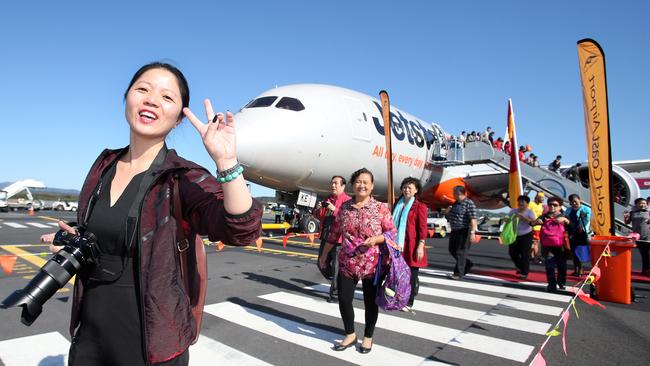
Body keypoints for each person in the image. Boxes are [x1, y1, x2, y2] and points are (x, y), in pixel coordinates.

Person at [40, 62, 262, 366]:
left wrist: (227, 162)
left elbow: (240, 230)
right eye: (142, 89)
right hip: (90, 335)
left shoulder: (181, 177)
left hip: (154, 344)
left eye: (167, 97)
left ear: (178, 119)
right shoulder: (103, 167)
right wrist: (75, 241)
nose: (152, 99)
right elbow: (106, 236)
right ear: (127, 98)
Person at [318, 168, 396, 354]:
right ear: (353, 185)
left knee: (370, 302)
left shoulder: (380, 208)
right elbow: (335, 233)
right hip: (348, 262)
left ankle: (368, 337)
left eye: (365, 182)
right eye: (358, 182)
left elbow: (392, 233)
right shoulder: (345, 208)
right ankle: (350, 333)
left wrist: (377, 239)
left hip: (373, 264)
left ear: (371, 186)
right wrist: (323, 256)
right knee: (344, 299)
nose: (361, 185)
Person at [313, 176, 352, 302]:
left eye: (336, 183)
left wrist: (334, 209)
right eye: (332, 183)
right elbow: (320, 217)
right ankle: (337, 281)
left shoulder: (348, 201)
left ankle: (334, 294)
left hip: (339, 240)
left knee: (336, 267)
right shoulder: (328, 199)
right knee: (321, 263)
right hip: (326, 236)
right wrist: (318, 209)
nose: (333, 186)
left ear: (343, 186)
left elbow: (348, 218)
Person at [392, 177, 428, 310]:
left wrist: (421, 245)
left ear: (416, 190)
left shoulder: (420, 206)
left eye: (410, 188)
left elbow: (423, 229)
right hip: (397, 244)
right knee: (398, 273)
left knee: (411, 275)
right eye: (405, 187)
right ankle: (398, 296)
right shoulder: (398, 204)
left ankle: (408, 301)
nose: (406, 190)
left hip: (412, 245)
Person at [533, 197, 570, 292]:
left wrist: (566, 221)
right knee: (549, 266)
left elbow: (572, 226)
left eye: (555, 205)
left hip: (561, 246)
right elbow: (531, 223)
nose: (552, 207)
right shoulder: (544, 216)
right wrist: (536, 222)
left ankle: (561, 282)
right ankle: (551, 284)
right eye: (550, 204)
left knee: (562, 266)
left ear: (560, 206)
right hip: (547, 246)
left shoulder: (564, 216)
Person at [445, 185, 478, 279]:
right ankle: (467, 264)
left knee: (461, 252)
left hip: (464, 230)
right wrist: (447, 212)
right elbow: (449, 217)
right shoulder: (455, 203)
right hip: (455, 230)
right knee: (452, 250)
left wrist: (473, 232)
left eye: (454, 194)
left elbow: (473, 219)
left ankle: (458, 273)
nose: (453, 195)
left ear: (459, 194)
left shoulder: (469, 203)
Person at [505, 195, 536, 279]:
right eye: (519, 201)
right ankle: (519, 267)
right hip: (514, 235)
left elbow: (533, 223)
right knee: (512, 253)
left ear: (527, 203)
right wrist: (506, 219)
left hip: (526, 235)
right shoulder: (513, 211)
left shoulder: (530, 212)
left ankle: (524, 273)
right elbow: (507, 218)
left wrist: (523, 218)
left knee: (524, 254)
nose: (520, 203)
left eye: (523, 201)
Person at [564, 194, 591, 277]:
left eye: (575, 202)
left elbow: (588, 219)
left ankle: (581, 270)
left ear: (580, 200)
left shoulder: (586, 209)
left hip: (582, 233)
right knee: (573, 252)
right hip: (572, 233)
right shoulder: (568, 210)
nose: (574, 204)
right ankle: (576, 269)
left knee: (580, 252)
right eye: (572, 203)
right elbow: (564, 217)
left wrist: (584, 216)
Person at [624, 198, 650, 276]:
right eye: (640, 203)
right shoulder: (632, 213)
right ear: (636, 204)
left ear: (647, 205)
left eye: (644, 203)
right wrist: (626, 218)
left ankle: (647, 270)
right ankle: (645, 270)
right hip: (637, 236)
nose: (642, 205)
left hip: (648, 235)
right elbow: (627, 222)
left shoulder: (648, 212)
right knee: (643, 253)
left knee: (647, 253)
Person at [528, 192, 547, 264]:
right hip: (533, 227)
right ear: (537, 197)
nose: (543, 199)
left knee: (534, 243)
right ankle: (534, 258)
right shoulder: (531, 204)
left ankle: (531, 257)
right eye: (541, 198)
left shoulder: (541, 205)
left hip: (539, 227)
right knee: (535, 243)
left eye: (543, 198)